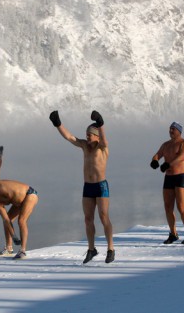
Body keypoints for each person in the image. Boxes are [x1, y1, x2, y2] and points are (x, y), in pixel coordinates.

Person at [49, 110, 115, 264]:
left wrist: (101, 123)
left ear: (96, 136)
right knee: (88, 219)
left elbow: (104, 140)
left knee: (104, 217)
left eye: (90, 134)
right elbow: (70, 137)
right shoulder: (85, 146)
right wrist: (58, 124)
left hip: (101, 186)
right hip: (88, 187)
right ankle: (91, 249)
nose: (87, 136)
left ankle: (110, 248)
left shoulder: (103, 147)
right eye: (86, 134)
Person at [0, 146, 39, 260]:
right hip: (18, 203)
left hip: (30, 194)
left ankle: (23, 251)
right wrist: (14, 236)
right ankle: (9, 248)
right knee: (8, 220)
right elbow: (7, 221)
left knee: (21, 220)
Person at [150, 121, 184, 244]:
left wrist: (168, 164)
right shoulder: (165, 145)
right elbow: (157, 154)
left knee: (181, 207)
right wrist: (154, 161)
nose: (170, 131)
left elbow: (181, 157)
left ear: (179, 131)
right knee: (168, 207)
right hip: (169, 177)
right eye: (169, 129)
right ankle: (173, 233)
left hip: (181, 176)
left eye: (173, 129)